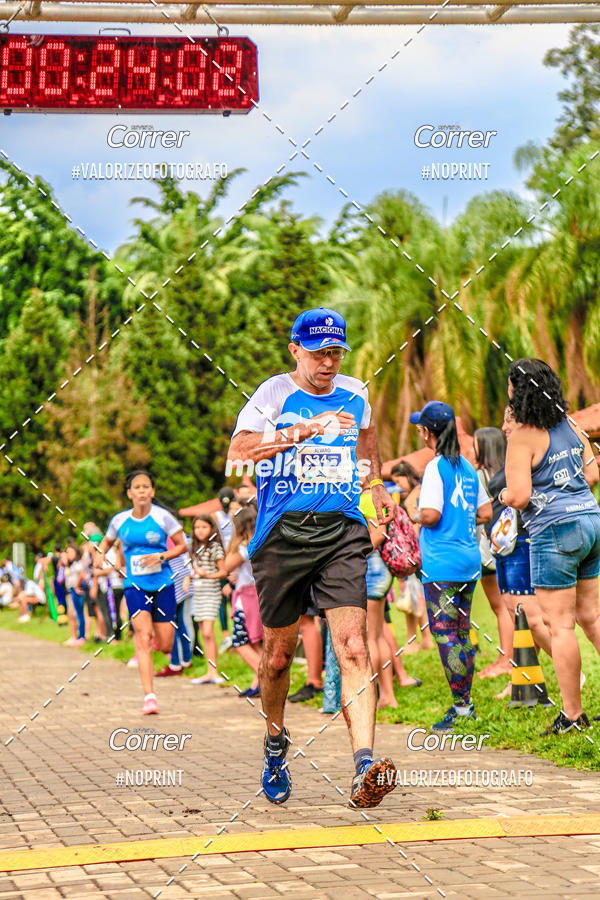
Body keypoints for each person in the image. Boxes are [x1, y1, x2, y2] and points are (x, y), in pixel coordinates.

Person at [228, 306, 398, 808]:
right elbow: (239, 450)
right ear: (295, 350)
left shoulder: (357, 392)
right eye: (319, 353)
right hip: (281, 535)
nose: (328, 362)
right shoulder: (273, 394)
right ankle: (275, 743)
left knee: (352, 646)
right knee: (278, 658)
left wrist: (375, 485)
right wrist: (305, 429)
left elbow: (367, 444)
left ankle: (365, 765)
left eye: (336, 352)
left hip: (341, 532)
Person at [502, 359, 600, 734]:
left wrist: (505, 492)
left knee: (559, 625)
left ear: (519, 392)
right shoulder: (571, 425)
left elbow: (521, 495)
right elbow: (592, 473)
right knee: (592, 617)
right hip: (591, 522)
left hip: (555, 532)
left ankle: (573, 716)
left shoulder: (522, 438)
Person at [407, 401, 491, 732]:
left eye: (420, 429)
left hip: (441, 565)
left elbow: (430, 514)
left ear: (428, 433)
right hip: (468, 561)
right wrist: (463, 519)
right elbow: (485, 512)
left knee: (445, 635)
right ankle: (465, 702)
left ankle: (462, 707)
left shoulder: (435, 467)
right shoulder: (468, 469)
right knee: (461, 632)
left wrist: (413, 513)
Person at [98, 470, 186, 715]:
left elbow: (182, 545)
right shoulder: (119, 520)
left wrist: (161, 556)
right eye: (137, 487)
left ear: (152, 492)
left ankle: (163, 646)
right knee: (143, 637)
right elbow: (105, 542)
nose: (142, 491)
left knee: (166, 644)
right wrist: (99, 554)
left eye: (146, 487)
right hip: (134, 584)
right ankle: (149, 696)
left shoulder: (163, 517)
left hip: (163, 584)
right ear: (129, 493)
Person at [490, 405, 553, 700]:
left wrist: (505, 497)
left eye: (509, 421)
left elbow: (520, 496)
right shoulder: (513, 452)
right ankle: (523, 677)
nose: (504, 427)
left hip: (524, 541)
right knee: (519, 615)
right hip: (507, 545)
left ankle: (569, 669)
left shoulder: (532, 450)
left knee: (529, 614)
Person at [472, 427, 513, 679]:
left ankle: (506, 658)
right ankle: (505, 656)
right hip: (506, 543)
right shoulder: (509, 473)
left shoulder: (478, 475)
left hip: (487, 547)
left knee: (500, 607)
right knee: (505, 605)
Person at [390, 461, 433, 652]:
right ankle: (424, 638)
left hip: (413, 549)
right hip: (418, 549)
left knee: (411, 595)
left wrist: (408, 546)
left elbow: (418, 521)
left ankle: (412, 640)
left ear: (406, 475)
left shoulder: (417, 493)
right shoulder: (417, 491)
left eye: (398, 481)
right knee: (415, 595)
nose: (397, 486)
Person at [223, 504, 263, 697]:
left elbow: (226, 565)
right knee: (256, 642)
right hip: (259, 595)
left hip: (247, 599)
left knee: (240, 641)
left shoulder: (243, 547)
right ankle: (258, 682)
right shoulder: (260, 542)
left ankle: (263, 676)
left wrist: (234, 541)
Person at [183, 515, 226, 685]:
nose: (200, 530)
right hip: (198, 594)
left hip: (211, 593)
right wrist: (189, 578)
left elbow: (223, 572)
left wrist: (206, 575)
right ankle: (209, 672)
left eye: (204, 527)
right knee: (204, 634)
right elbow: (193, 570)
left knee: (208, 632)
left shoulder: (215, 547)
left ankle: (214, 671)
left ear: (211, 529)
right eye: (197, 527)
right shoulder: (193, 548)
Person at [64, 545, 87, 646]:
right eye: (67, 552)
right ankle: (76, 636)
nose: (68, 554)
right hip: (72, 589)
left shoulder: (78, 563)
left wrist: (77, 586)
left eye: (70, 552)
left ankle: (81, 636)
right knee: (74, 613)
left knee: (79, 613)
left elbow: (82, 575)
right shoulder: (71, 564)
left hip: (77, 589)